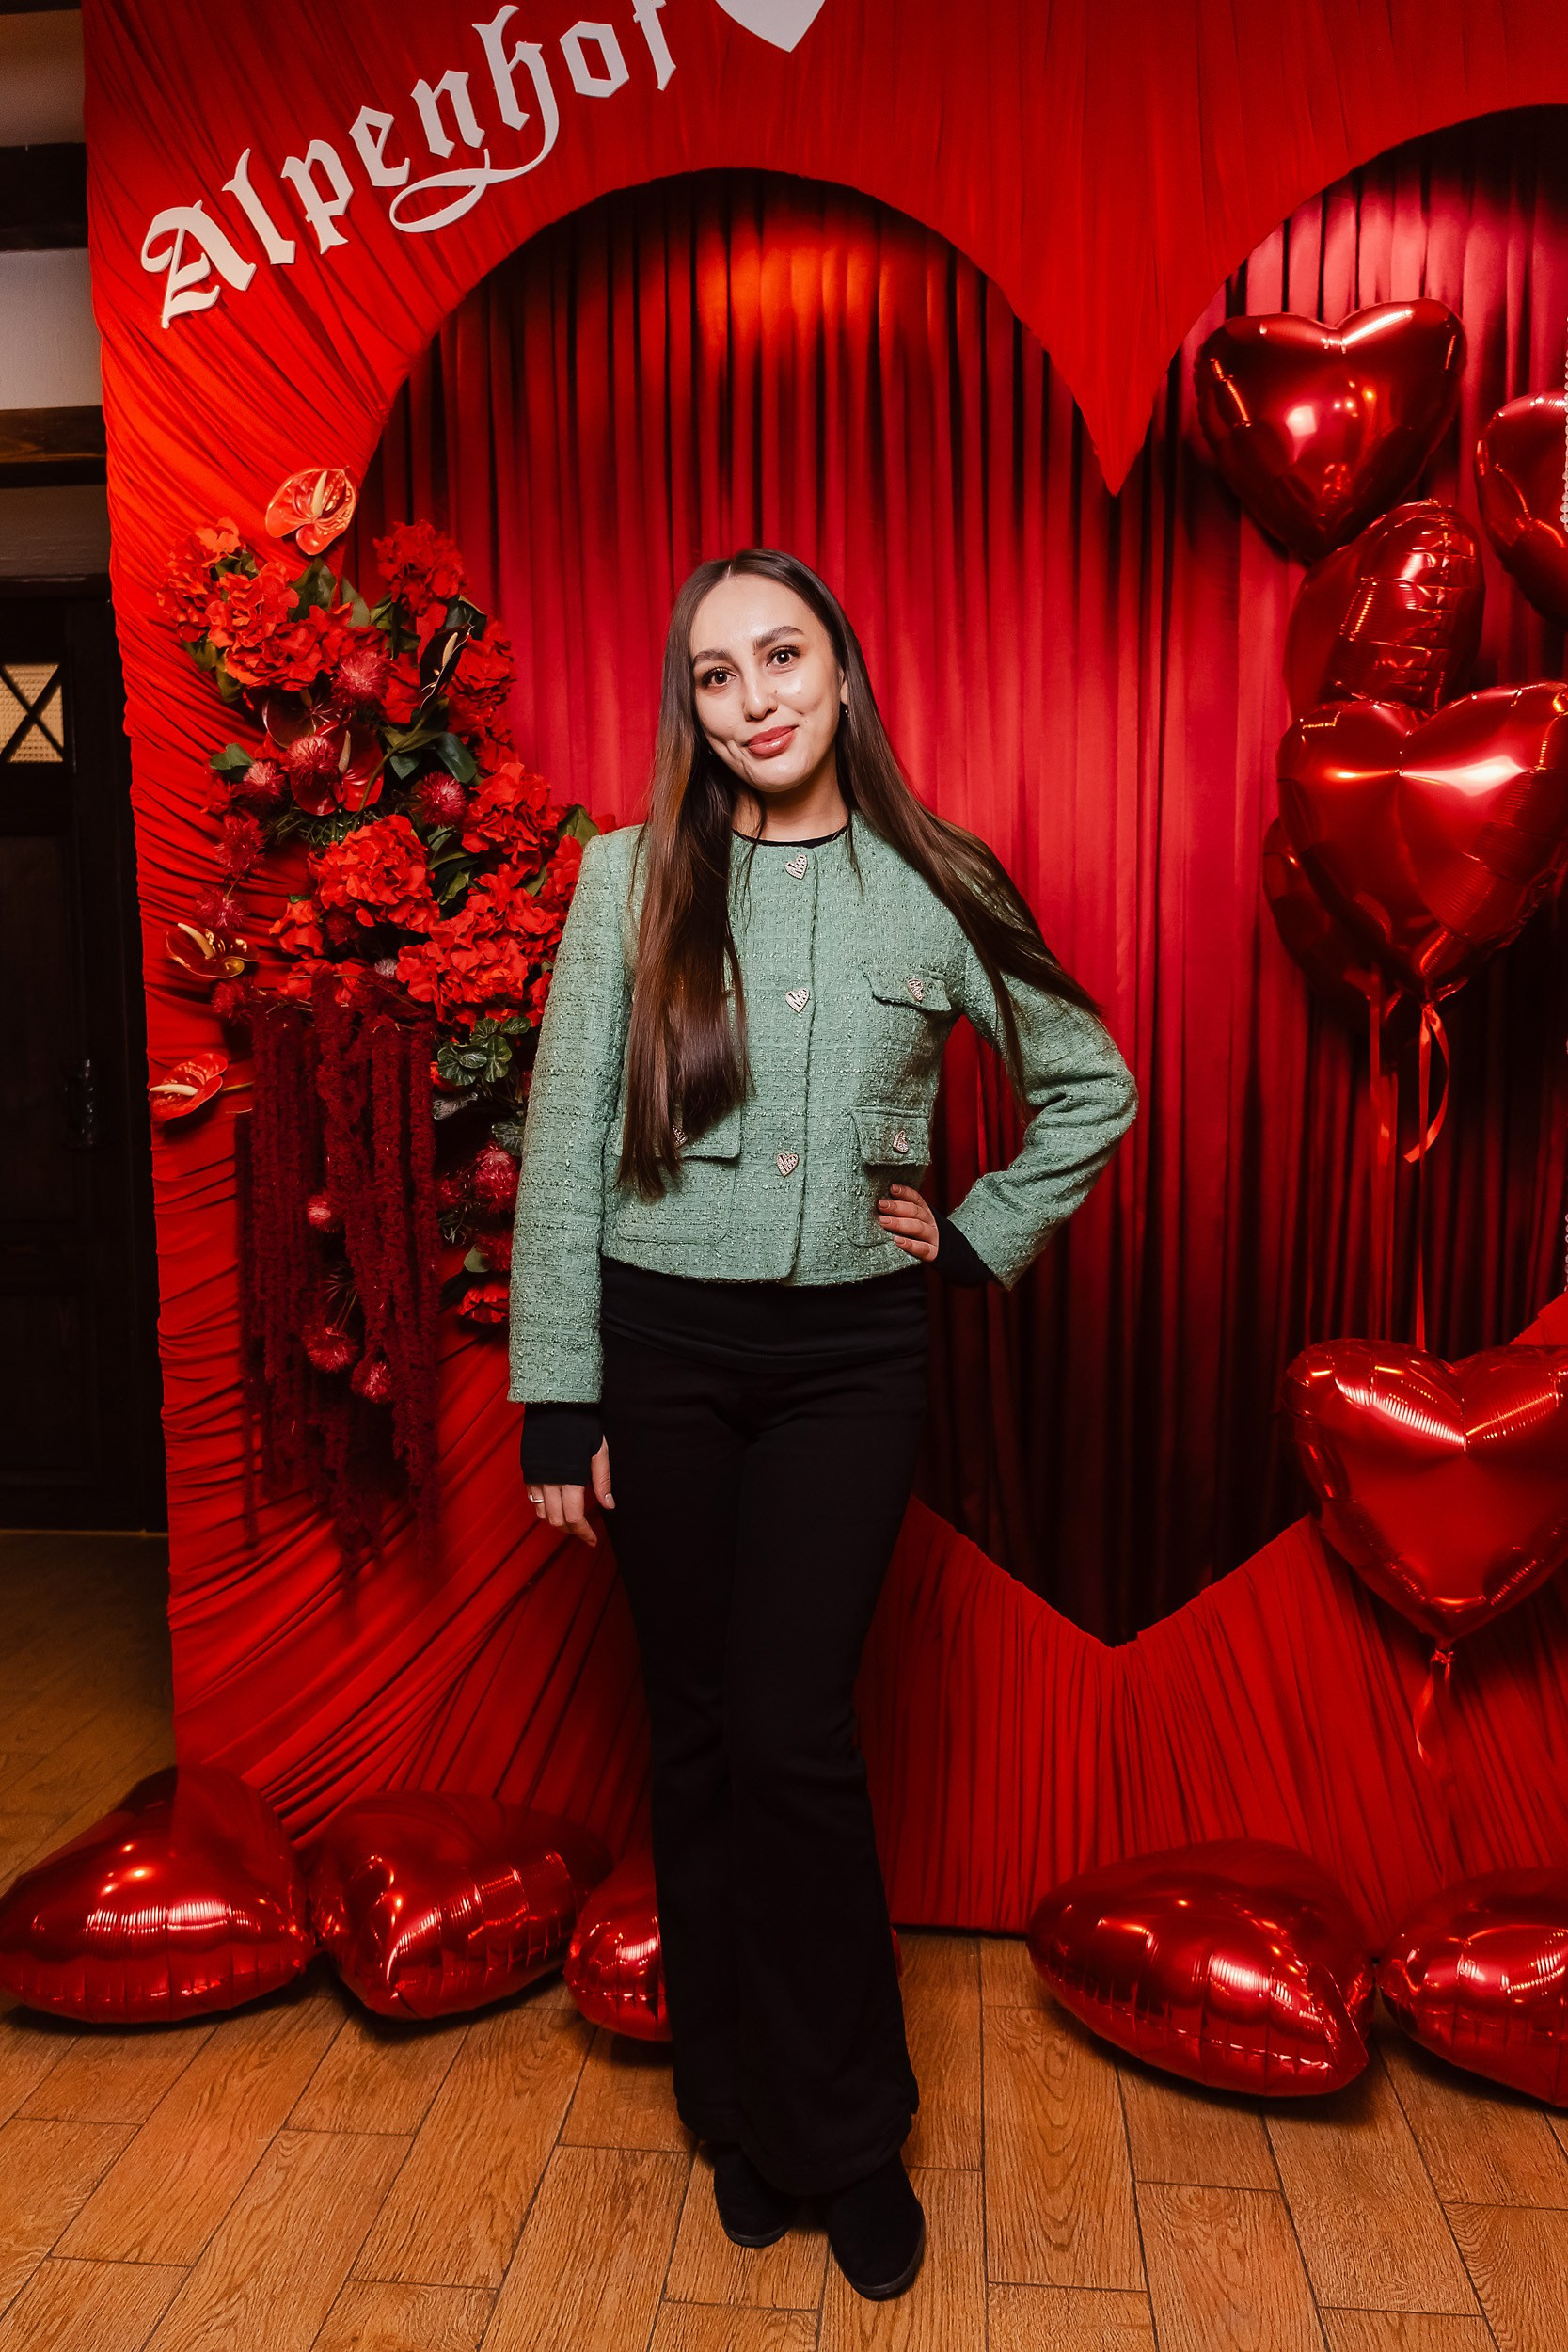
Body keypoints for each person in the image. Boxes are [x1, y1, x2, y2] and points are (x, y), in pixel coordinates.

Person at [508, 548, 1136, 2302]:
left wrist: (979, 1233)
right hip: (659, 1351)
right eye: (716, 676)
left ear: (842, 674)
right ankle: (736, 2113)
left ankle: (848, 2134)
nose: (754, 698)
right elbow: (564, 1143)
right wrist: (561, 1396)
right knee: (699, 1736)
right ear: (693, 712)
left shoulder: (940, 882)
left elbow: (1091, 1082)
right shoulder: (625, 878)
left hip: (850, 1363)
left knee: (793, 1735)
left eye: (781, 657)